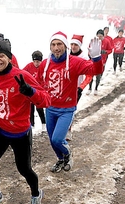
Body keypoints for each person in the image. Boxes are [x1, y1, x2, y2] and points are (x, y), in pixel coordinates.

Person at [0, 38, 50, 204]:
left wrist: (30, 92)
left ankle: (35, 194)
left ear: (9, 57)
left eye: (1, 55)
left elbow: (46, 100)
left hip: (20, 134)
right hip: (0, 130)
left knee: (24, 169)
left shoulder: (21, 76)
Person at [37, 31, 103, 173]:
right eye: (53, 44)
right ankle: (60, 159)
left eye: (59, 44)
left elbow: (95, 70)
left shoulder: (75, 62)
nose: (56, 48)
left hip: (66, 109)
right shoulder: (45, 64)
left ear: (65, 46)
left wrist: (97, 58)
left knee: (57, 139)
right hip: (50, 108)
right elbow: (40, 83)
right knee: (52, 140)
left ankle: (68, 155)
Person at [66, 34, 92, 141]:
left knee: (71, 110)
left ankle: (68, 131)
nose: (73, 47)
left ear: (80, 46)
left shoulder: (84, 58)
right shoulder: (66, 56)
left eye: (75, 45)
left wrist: (81, 87)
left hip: (76, 89)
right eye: (71, 44)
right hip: (65, 87)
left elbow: (89, 75)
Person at [22, 50, 46, 132]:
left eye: (38, 61)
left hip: (39, 91)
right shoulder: (29, 66)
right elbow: (22, 73)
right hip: (30, 90)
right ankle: (32, 124)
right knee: (30, 108)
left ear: (41, 61)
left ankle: (44, 124)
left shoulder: (44, 67)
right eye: (35, 61)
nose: (36, 63)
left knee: (39, 108)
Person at [87, 29, 112, 95]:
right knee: (91, 75)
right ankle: (89, 88)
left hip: (102, 62)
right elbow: (89, 49)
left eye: (101, 36)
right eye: (98, 36)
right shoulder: (93, 41)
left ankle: (96, 88)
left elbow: (110, 50)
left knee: (98, 76)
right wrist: (89, 55)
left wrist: (105, 52)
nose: (99, 38)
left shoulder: (106, 41)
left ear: (103, 36)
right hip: (92, 61)